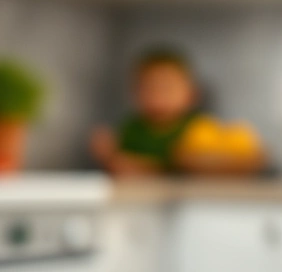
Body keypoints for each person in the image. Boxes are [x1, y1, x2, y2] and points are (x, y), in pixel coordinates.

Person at [91, 48, 265, 176]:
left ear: (191, 94)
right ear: (134, 93)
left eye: (167, 89)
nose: (157, 97)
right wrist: (109, 154)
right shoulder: (131, 128)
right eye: (149, 89)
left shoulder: (197, 128)